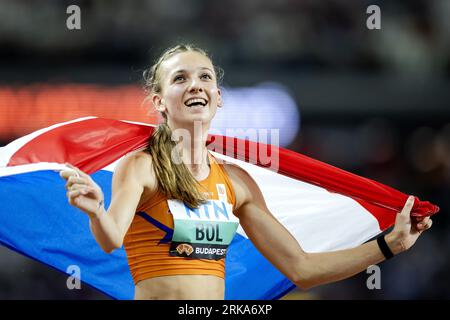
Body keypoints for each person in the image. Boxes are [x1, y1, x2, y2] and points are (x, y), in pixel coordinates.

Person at [59, 44, 433, 300]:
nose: (196, 85)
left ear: (218, 97)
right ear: (159, 101)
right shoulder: (142, 166)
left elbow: (301, 267)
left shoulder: (236, 181)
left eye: (205, 77)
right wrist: (95, 210)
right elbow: (110, 239)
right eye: (180, 78)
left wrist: (389, 245)